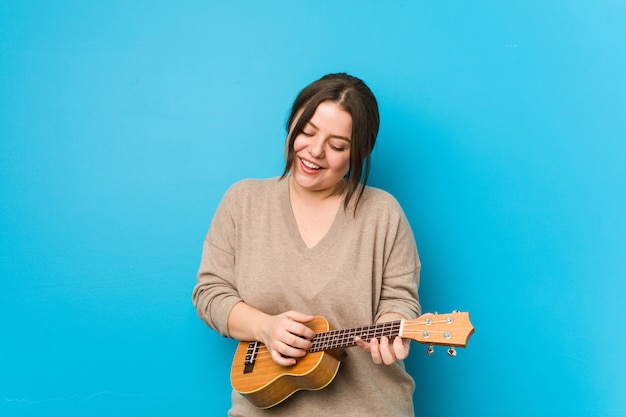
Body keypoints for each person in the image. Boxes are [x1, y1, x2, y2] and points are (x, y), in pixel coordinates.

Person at [192, 73, 421, 416]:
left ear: (358, 153)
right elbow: (210, 292)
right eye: (308, 132)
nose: (315, 151)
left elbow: (400, 298)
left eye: (337, 145)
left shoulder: (382, 213)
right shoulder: (243, 201)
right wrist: (264, 327)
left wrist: (392, 326)